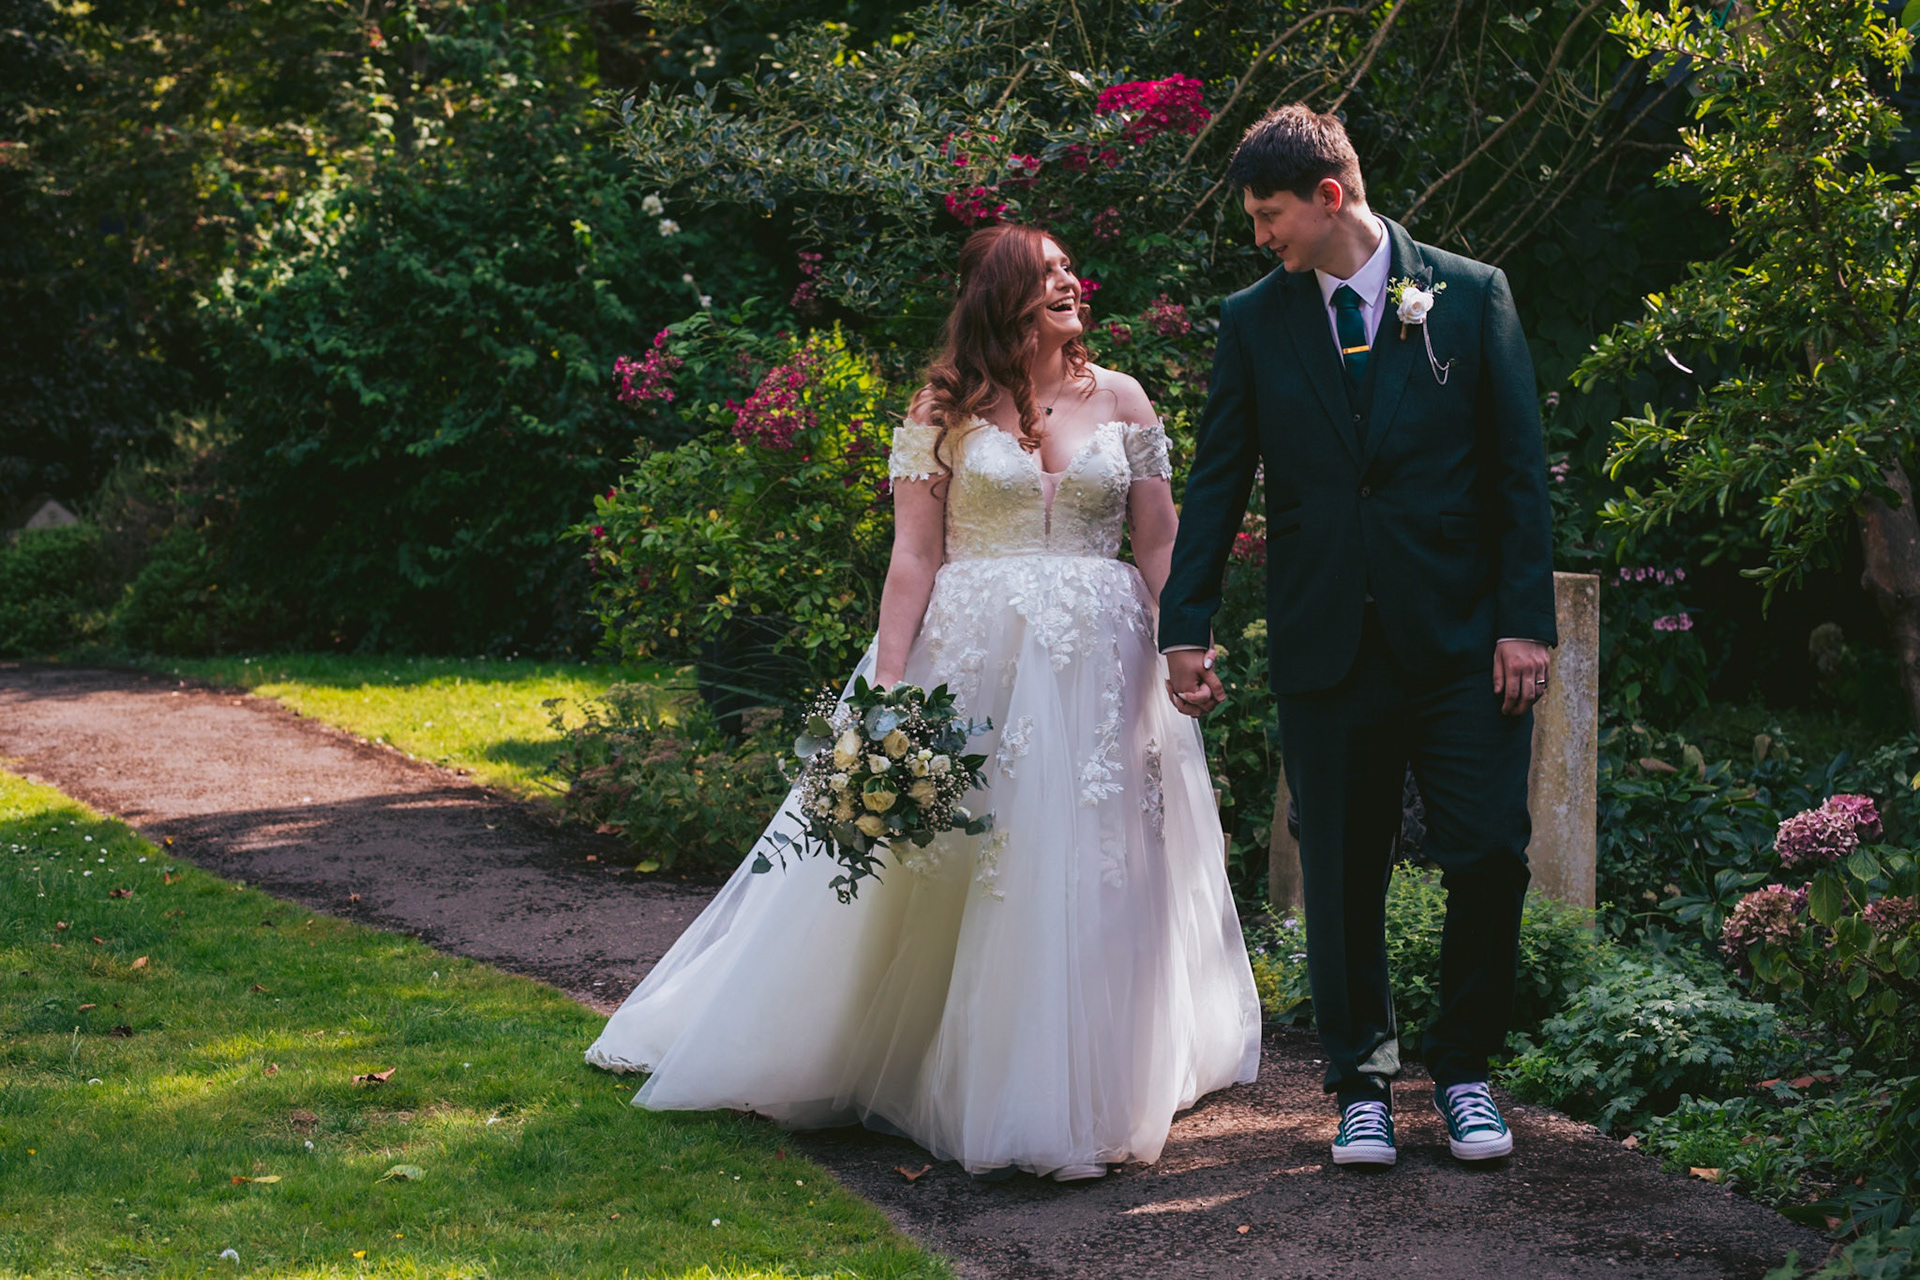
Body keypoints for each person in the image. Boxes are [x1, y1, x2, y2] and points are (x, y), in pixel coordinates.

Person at [586, 223, 1262, 1182]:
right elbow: (915, 554)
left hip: (1104, 663)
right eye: (1049, 271)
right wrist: (889, 686)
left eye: (1069, 268)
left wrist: (1184, 640)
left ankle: (1091, 1088)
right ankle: (954, 1070)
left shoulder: (1122, 397)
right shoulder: (941, 409)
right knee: (980, 860)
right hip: (975, 659)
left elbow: (1159, 541)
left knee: (1097, 859)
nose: (1071, 281)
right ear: (1002, 294)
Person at [1159, 104, 1557, 1169]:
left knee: (1490, 853)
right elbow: (1218, 478)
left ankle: (1465, 1072)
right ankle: (1361, 1084)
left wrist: (1525, 623)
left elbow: (1518, 471)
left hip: (1463, 640)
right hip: (1326, 641)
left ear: (1329, 197)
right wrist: (1184, 622)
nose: (1260, 237)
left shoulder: (1471, 294)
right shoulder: (1256, 320)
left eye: (1269, 215)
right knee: (1339, 873)